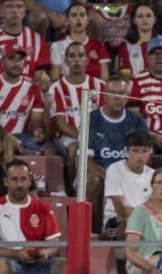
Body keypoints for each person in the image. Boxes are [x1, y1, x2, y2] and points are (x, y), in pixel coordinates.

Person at [0, 160, 65, 274]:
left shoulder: (43, 208)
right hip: (11, 261)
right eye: (14, 179)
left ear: (30, 181)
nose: (19, 184)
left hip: (40, 263)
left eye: (23, 179)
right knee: (0, 266)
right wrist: (17, 253)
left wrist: (45, 252)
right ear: (6, 181)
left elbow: (55, 243)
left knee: (64, 266)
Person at [86, 76, 149, 214]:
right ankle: (90, 230)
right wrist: (112, 177)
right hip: (100, 173)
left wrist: (126, 177)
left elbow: (143, 157)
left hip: (130, 173)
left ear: (127, 97)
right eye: (112, 93)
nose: (117, 97)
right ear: (105, 96)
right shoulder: (91, 119)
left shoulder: (138, 122)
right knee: (93, 180)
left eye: (121, 93)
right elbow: (84, 161)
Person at [48, 41, 106, 178]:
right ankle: (74, 191)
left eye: (80, 55)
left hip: (97, 137)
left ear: (87, 60)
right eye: (72, 56)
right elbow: (61, 124)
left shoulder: (100, 86)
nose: (76, 60)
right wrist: (85, 138)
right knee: (75, 149)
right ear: (65, 60)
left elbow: (105, 118)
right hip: (68, 138)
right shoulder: (56, 88)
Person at [0, 44, 45, 147]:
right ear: (2, 63)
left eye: (20, 59)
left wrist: (37, 131)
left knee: (49, 150)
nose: (16, 63)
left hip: (24, 137)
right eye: (11, 58)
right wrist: (7, 137)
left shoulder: (34, 88)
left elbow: (36, 120)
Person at [0, 0, 49, 82]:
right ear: (1, 11)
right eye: (9, 6)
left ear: (24, 12)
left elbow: (38, 78)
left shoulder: (38, 41)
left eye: (19, 6)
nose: (15, 11)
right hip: (0, 91)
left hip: (29, 91)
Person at [103, 131, 155, 237]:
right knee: (129, 225)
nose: (140, 155)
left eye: (144, 151)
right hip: (116, 221)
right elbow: (121, 210)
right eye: (135, 151)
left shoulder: (153, 174)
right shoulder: (114, 169)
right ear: (126, 151)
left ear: (150, 152)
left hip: (144, 221)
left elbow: (156, 208)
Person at [49, 3, 110, 81]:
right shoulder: (57, 45)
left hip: (93, 91)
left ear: (87, 20)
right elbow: (55, 78)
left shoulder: (99, 46)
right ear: (67, 20)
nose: (78, 19)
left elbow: (104, 79)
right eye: (74, 15)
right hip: (67, 91)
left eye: (82, 15)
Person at [116, 3, 162, 77]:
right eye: (140, 16)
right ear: (134, 20)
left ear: (154, 19)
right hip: (136, 85)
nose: (144, 19)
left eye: (148, 16)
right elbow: (125, 73)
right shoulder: (125, 46)